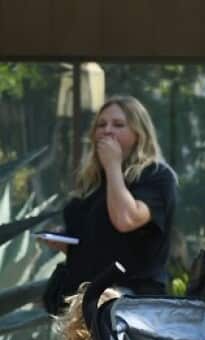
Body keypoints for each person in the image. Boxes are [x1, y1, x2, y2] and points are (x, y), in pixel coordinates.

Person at [43, 96, 177, 308]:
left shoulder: (156, 175)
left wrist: (113, 165)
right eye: (101, 125)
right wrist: (67, 241)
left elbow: (125, 219)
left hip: (126, 302)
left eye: (118, 125)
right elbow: (101, 242)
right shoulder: (93, 181)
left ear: (138, 133)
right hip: (80, 299)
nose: (107, 131)